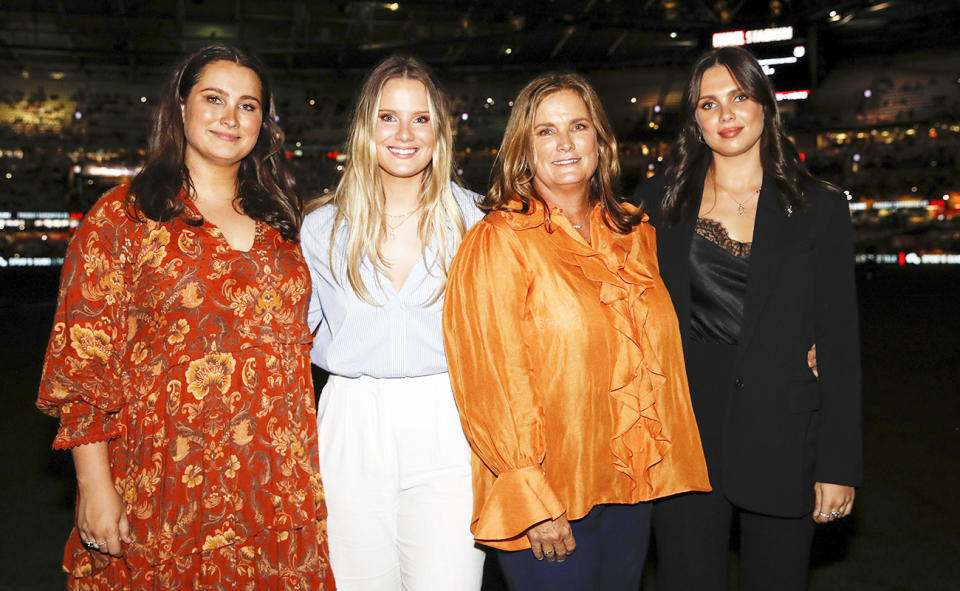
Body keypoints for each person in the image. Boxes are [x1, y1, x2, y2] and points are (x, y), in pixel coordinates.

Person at [35, 45, 334, 589]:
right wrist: (96, 487)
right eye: (213, 98)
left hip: (274, 490)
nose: (230, 116)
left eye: (248, 105)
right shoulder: (124, 217)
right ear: (179, 107)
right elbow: (83, 365)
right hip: (163, 487)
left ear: (263, 125)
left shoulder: (287, 229)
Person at [442, 72, 710, 591]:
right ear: (522, 150)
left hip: (630, 486)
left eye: (578, 126)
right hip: (549, 499)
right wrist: (531, 496)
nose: (565, 143)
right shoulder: (499, 240)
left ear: (600, 141)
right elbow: (491, 379)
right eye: (545, 131)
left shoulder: (635, 232)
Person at [633, 46, 862, 591]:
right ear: (695, 120)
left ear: (765, 105)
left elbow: (839, 342)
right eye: (709, 104)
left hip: (784, 434)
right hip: (685, 437)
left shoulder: (819, 207)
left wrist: (838, 464)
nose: (726, 114)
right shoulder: (657, 204)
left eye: (739, 97)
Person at [301, 56, 486, 590]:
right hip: (350, 423)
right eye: (389, 117)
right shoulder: (320, 228)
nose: (405, 133)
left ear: (440, 130)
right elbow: (292, 339)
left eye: (421, 118)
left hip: (450, 421)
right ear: (366, 127)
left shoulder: (482, 222)